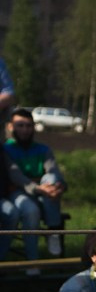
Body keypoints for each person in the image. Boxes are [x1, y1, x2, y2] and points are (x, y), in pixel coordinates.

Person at [5, 107, 67, 255]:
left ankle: (53, 230)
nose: (25, 130)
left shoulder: (43, 149)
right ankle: (33, 262)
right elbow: (17, 177)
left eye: (28, 125)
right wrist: (40, 188)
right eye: (20, 125)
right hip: (17, 194)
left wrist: (58, 187)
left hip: (44, 194)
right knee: (30, 210)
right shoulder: (6, 149)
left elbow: (54, 172)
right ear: (11, 127)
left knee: (52, 178)